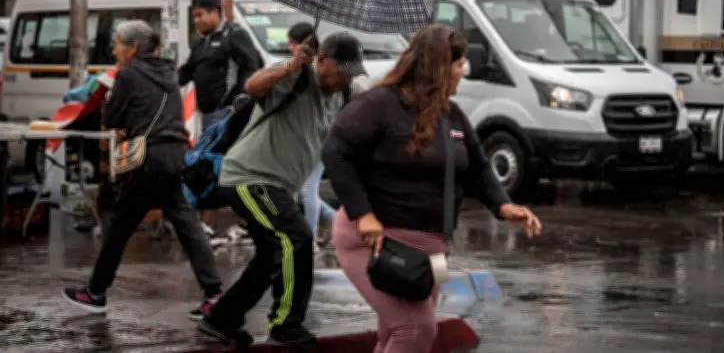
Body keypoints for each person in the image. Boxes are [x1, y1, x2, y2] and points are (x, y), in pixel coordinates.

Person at [322, 24, 543, 353]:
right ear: (437, 67)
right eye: (458, 64)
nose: (463, 72)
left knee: (395, 332)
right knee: (414, 329)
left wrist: (503, 206)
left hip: (434, 251)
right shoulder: (378, 105)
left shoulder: (450, 115)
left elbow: (479, 167)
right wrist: (363, 214)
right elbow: (335, 153)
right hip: (378, 242)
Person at [199, 32, 367, 346]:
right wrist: (292, 64)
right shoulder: (296, 78)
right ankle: (285, 325)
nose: (345, 80)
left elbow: (376, 99)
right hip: (250, 177)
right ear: (321, 60)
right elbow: (252, 86)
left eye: (352, 74)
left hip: (278, 186)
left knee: (270, 256)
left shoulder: (346, 93)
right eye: (341, 71)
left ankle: (221, 320)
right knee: (297, 237)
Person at [62, 20, 224, 320]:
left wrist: (118, 114)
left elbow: (112, 117)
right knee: (188, 225)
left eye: (118, 44)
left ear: (133, 47)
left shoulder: (128, 73)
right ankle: (214, 293)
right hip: (176, 156)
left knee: (119, 226)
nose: (114, 51)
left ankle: (95, 292)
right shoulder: (168, 73)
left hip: (146, 160)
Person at [179, 0, 262, 243]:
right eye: (194, 16)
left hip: (228, 115)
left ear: (217, 12)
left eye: (200, 15)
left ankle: (245, 223)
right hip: (208, 115)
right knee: (208, 167)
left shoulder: (234, 35)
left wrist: (235, 103)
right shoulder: (201, 41)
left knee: (230, 168)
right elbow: (187, 71)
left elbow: (253, 67)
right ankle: (208, 224)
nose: (197, 20)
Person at [288, 22, 337, 248]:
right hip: (308, 141)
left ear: (302, 45)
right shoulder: (308, 71)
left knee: (307, 191)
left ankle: (309, 241)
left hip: (318, 141)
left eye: (292, 44)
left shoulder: (319, 73)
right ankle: (340, 223)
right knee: (302, 191)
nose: (289, 49)